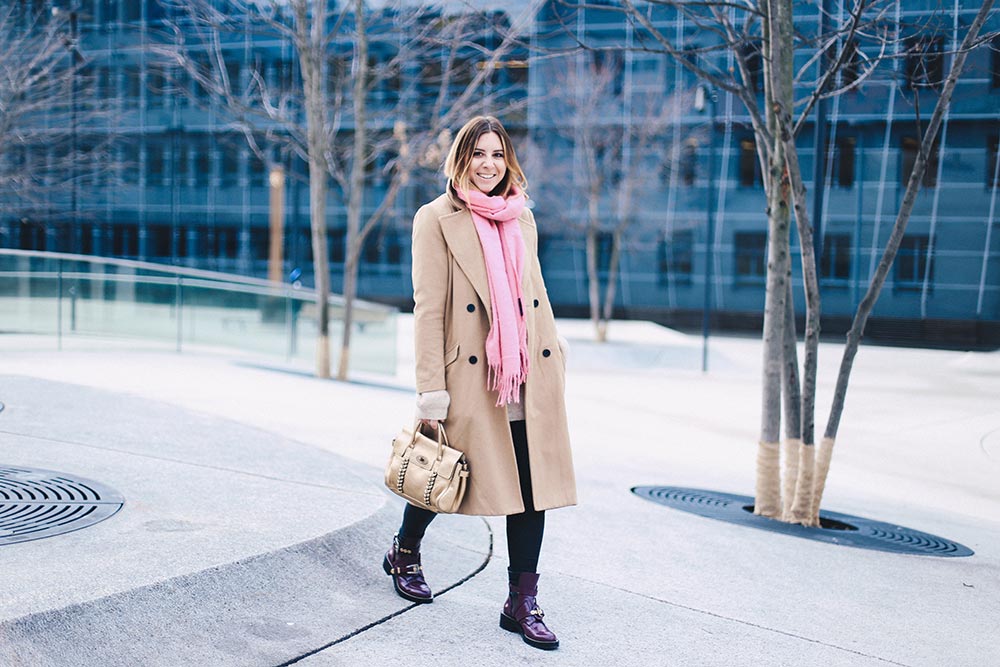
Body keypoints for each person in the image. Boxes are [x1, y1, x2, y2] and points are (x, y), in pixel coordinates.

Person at [383, 116, 576, 650]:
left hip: (524, 374)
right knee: (444, 472)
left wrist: (554, 356)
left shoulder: (523, 219)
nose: (489, 164)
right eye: (478, 154)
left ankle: (522, 601)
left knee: (531, 490)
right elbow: (428, 310)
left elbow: (536, 296)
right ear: (461, 159)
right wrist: (430, 392)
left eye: (498, 154)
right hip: (469, 376)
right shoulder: (436, 218)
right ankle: (405, 550)